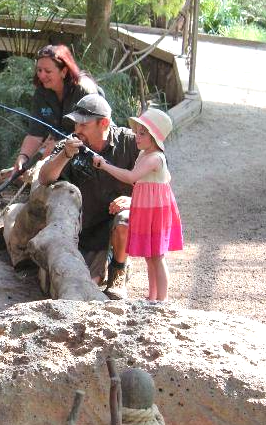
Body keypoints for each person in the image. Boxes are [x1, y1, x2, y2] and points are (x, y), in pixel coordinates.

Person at [38, 93, 140, 299]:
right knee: (73, 284)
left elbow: (159, 182)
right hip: (83, 229)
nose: (77, 130)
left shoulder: (131, 143)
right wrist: (64, 154)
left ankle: (118, 272)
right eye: (76, 124)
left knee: (125, 219)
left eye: (84, 125)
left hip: (115, 224)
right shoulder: (70, 145)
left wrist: (134, 201)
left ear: (103, 123)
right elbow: (44, 178)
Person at [92, 108, 183, 301]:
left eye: (142, 133)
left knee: (157, 256)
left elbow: (131, 177)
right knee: (150, 256)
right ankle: (152, 298)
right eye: (137, 132)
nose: (137, 137)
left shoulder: (155, 158)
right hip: (147, 208)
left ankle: (162, 300)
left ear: (155, 137)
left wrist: (104, 165)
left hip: (155, 211)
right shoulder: (144, 155)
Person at [12, 44, 101, 174]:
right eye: (39, 70)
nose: (42, 76)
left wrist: (58, 146)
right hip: (60, 155)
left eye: (47, 71)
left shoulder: (83, 89)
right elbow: (35, 134)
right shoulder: (41, 92)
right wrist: (23, 157)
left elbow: (92, 133)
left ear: (64, 71)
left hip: (91, 152)